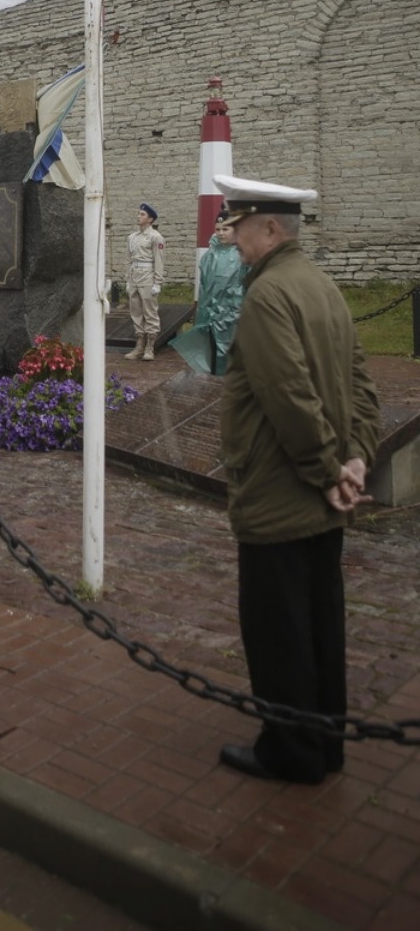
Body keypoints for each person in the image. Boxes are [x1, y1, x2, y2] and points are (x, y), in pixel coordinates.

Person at [213, 173, 380, 784]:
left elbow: (287, 396)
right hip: (324, 494)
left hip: (282, 494)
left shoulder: (267, 296)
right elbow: (362, 387)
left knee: (278, 628)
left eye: (237, 228)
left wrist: (325, 469)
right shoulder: (322, 286)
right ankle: (322, 741)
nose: (231, 240)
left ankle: (290, 751)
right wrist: (357, 460)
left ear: (270, 229)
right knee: (319, 620)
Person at [193, 210, 247, 375]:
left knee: (232, 357)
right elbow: (203, 286)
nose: (221, 233)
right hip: (210, 315)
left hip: (233, 316)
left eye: (226, 229)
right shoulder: (209, 256)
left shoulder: (244, 255)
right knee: (211, 356)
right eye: (218, 230)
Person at [124, 202, 165, 361]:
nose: (138, 216)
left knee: (149, 311)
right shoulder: (132, 237)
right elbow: (128, 260)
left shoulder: (155, 237)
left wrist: (157, 283)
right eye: (139, 213)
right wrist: (128, 279)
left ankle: (150, 346)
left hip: (148, 276)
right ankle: (139, 344)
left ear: (150, 219)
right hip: (135, 276)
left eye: (142, 214)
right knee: (135, 311)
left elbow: (159, 261)